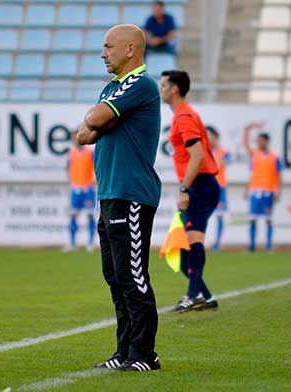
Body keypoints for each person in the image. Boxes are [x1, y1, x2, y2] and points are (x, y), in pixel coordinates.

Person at [77, 24, 162, 371]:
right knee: (114, 275)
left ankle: (144, 355)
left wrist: (104, 120)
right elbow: (85, 134)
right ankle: (125, 351)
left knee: (133, 276)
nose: (102, 53)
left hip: (132, 195)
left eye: (108, 46)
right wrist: (103, 121)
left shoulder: (140, 84)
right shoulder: (114, 87)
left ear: (130, 50)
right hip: (110, 192)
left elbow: (95, 118)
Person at [160, 69, 220, 313]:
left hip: (201, 185)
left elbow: (198, 155)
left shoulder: (183, 117)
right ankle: (204, 295)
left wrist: (184, 188)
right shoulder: (183, 115)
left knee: (191, 244)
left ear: (174, 89)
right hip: (199, 185)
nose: (160, 88)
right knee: (183, 249)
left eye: (163, 85)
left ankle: (194, 295)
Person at [244, 132, 283, 252]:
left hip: (268, 191)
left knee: (268, 219)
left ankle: (269, 246)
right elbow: (253, 174)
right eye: (258, 140)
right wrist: (247, 189)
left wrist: (278, 191)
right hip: (255, 191)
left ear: (267, 141)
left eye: (261, 140)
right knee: (252, 219)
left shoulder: (275, 157)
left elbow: (279, 175)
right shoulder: (254, 155)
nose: (259, 143)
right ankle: (251, 246)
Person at [65, 131, 96, 252]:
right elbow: (68, 167)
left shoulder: (89, 152)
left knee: (89, 215)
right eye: (73, 138)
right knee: (73, 215)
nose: (75, 140)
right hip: (75, 189)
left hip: (88, 188)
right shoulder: (71, 153)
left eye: (76, 138)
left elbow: (96, 166)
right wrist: (72, 180)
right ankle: (72, 244)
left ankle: (90, 244)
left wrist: (93, 179)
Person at [208, 126, 230, 252]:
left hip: (219, 187)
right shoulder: (205, 151)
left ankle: (217, 243)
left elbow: (223, 165)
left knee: (220, 216)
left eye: (210, 136)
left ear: (215, 138)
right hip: (207, 187)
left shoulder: (223, 152)